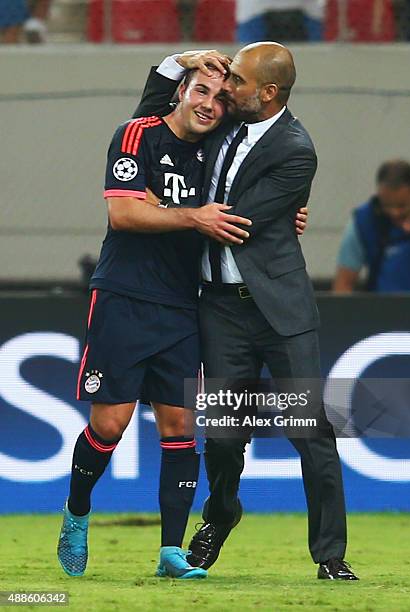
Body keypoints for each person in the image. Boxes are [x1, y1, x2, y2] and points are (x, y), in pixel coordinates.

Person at [57, 57, 307, 581]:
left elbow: (254, 195)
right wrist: (192, 216)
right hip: (124, 296)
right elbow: (123, 214)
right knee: (111, 423)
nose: (208, 104)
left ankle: (172, 551)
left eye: (220, 99)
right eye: (201, 91)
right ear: (181, 90)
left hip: (184, 304)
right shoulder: (136, 135)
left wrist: (286, 216)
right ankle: (78, 511)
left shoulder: (216, 155)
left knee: (180, 427)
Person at [134, 45, 358, 580]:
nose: (224, 86)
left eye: (235, 79)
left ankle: (330, 555)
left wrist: (173, 212)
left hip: (280, 312)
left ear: (268, 93)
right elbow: (151, 123)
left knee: (310, 430)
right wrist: (177, 62)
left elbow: (237, 219)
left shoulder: (297, 149)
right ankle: (222, 514)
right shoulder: (225, 118)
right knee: (226, 435)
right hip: (219, 309)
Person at [333, 160, 410, 293]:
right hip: (385, 309)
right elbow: (343, 283)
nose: (395, 213)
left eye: (402, 206)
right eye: (387, 206)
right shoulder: (365, 221)